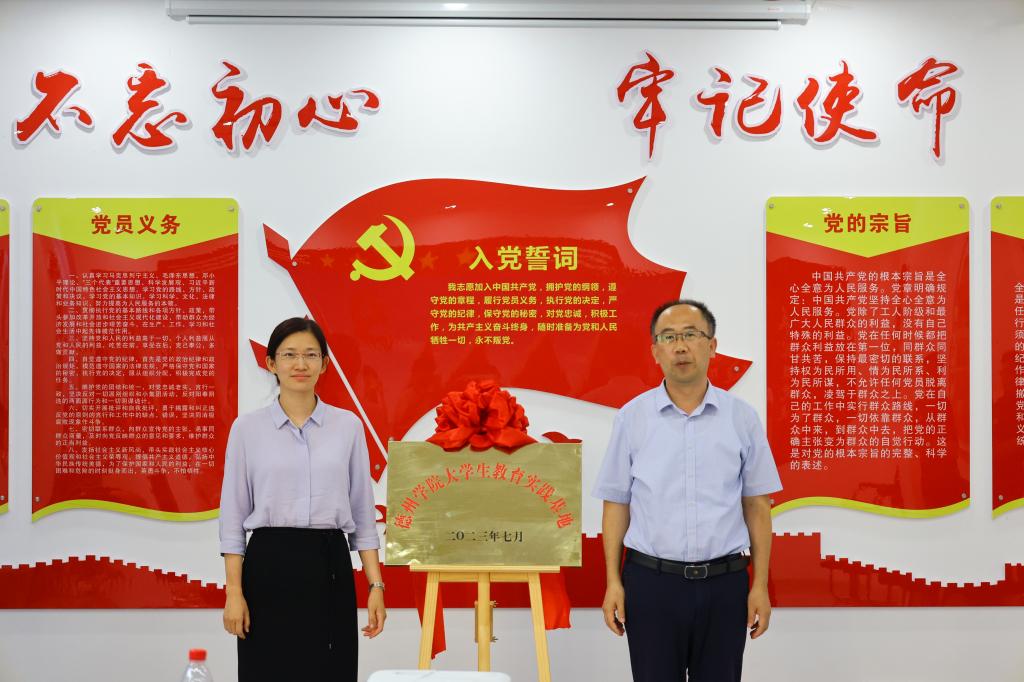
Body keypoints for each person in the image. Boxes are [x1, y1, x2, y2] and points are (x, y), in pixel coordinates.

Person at [592, 299, 782, 682]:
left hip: (725, 584)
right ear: (655, 351)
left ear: (712, 346)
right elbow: (616, 504)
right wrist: (613, 582)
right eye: (668, 337)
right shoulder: (632, 418)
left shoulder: (741, 418)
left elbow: (757, 506)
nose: (680, 347)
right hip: (651, 584)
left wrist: (760, 585)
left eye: (691, 335)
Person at [219, 317, 386, 682]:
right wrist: (234, 592)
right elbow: (232, 520)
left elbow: (363, 515)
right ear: (271, 363)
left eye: (311, 355)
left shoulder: (348, 427)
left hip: (329, 566)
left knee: (331, 671)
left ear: (324, 364)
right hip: (268, 568)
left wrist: (376, 585)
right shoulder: (247, 429)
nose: (300, 364)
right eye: (289, 354)